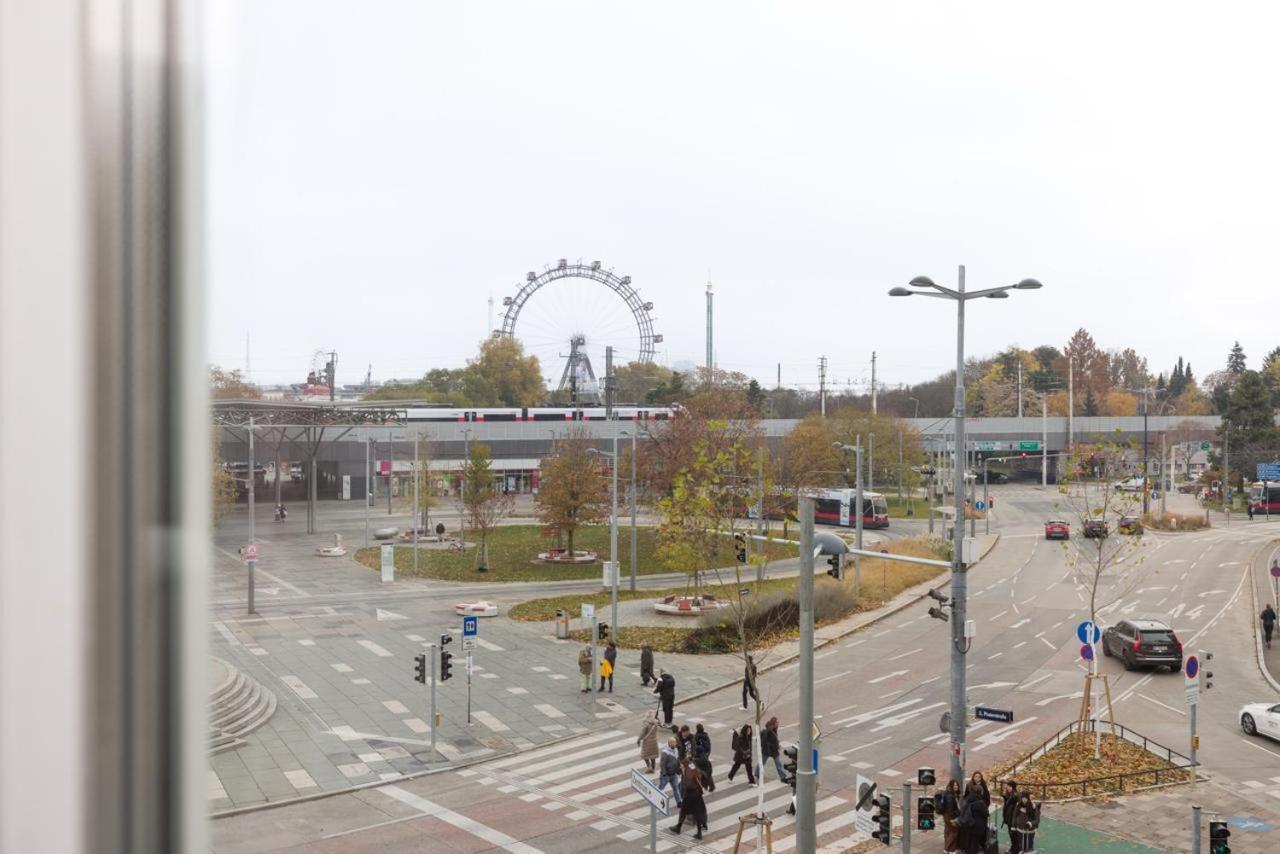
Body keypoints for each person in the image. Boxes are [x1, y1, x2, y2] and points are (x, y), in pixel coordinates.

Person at [669, 761, 707, 839]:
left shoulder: (688, 773)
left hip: (690, 795)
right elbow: (702, 775)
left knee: (683, 811)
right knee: (698, 812)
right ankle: (699, 832)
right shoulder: (692, 767)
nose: (681, 768)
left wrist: (686, 787)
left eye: (681, 766)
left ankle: (678, 827)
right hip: (697, 794)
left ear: (684, 765)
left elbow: (689, 785)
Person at [957, 783, 990, 854]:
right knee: (974, 844)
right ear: (980, 792)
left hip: (969, 824)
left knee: (969, 842)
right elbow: (986, 814)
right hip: (977, 826)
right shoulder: (980, 803)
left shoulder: (968, 799)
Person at [657, 738, 682, 807]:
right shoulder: (665, 752)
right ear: (669, 743)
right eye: (674, 743)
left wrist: (679, 767)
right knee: (661, 787)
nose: (675, 744)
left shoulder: (676, 750)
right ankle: (654, 796)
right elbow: (662, 764)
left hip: (673, 774)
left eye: (675, 743)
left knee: (676, 788)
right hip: (666, 775)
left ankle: (679, 802)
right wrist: (664, 773)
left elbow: (677, 759)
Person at [939, 779, 962, 854]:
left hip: (947, 815)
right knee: (954, 831)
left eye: (957, 785)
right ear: (951, 786)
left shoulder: (950, 793)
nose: (956, 787)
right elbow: (951, 810)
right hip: (950, 816)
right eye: (954, 785)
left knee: (949, 831)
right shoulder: (950, 797)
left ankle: (952, 850)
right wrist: (957, 814)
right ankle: (947, 848)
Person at [692, 723, 715, 792]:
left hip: (699, 756)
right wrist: (707, 754)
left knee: (702, 772)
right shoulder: (706, 735)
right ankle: (711, 786)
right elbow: (709, 746)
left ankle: (705, 786)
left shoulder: (696, 736)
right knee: (708, 772)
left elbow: (695, 747)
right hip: (706, 755)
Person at [761, 717, 784, 781]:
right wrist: (774, 745)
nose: (778, 723)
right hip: (767, 751)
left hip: (774, 751)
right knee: (762, 763)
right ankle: (757, 772)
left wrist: (777, 744)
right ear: (774, 723)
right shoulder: (768, 731)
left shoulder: (774, 729)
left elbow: (774, 739)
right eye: (777, 722)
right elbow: (764, 741)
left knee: (778, 763)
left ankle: (783, 776)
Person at [1000, 780, 1018, 848]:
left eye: (1009, 786)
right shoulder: (1010, 795)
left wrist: (1005, 798)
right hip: (1009, 817)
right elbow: (1007, 804)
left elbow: (1010, 803)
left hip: (1012, 818)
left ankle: (1015, 848)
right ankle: (1013, 847)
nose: (1007, 787)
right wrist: (1005, 797)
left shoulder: (1014, 795)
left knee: (1013, 834)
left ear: (1012, 787)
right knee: (1011, 834)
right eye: (1007, 786)